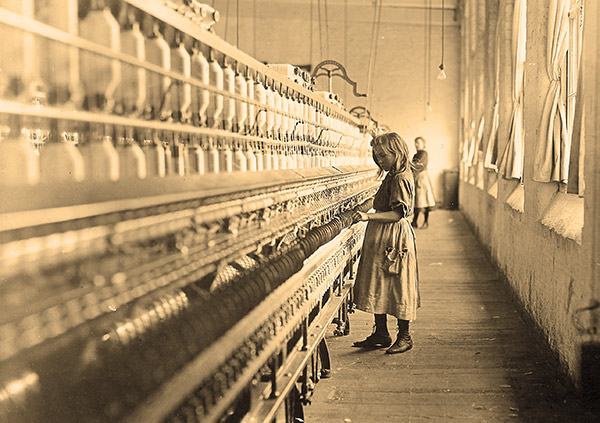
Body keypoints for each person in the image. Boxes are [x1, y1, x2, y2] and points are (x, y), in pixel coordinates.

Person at [351, 132, 420, 354]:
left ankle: (405, 336)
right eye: (376, 155)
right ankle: (381, 333)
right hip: (382, 235)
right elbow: (382, 200)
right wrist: (364, 204)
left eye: (383, 156)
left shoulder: (400, 177)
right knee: (379, 281)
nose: (379, 160)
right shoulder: (392, 174)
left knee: (398, 284)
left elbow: (397, 214)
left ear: (397, 153)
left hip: (393, 235)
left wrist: (367, 217)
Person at [411, 136, 436, 229]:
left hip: (422, 178)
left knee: (425, 200)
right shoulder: (415, 155)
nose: (416, 145)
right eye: (415, 143)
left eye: (418, 143)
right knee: (418, 200)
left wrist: (411, 167)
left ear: (423, 144)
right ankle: (415, 221)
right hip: (417, 178)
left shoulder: (424, 153)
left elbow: (418, 165)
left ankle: (425, 222)